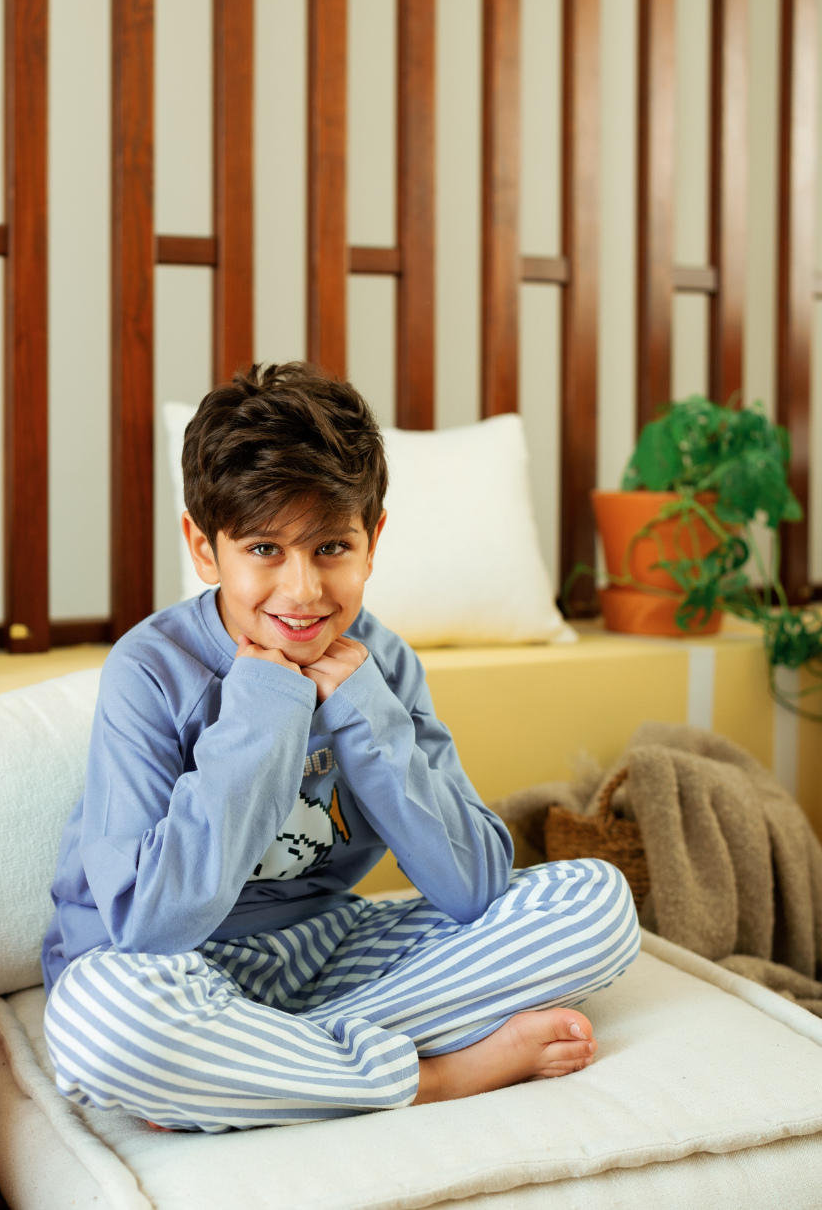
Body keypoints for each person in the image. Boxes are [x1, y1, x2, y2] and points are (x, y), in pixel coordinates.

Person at [42, 362, 640, 1133]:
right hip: (174, 970)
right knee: (104, 1029)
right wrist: (263, 707)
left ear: (373, 540)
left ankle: (252, 1073)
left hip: (329, 951)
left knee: (598, 905)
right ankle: (434, 1077)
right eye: (263, 549)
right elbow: (148, 925)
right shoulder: (150, 671)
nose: (302, 591)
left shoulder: (381, 665)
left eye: (330, 547)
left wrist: (365, 713)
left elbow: (474, 885)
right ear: (203, 546)